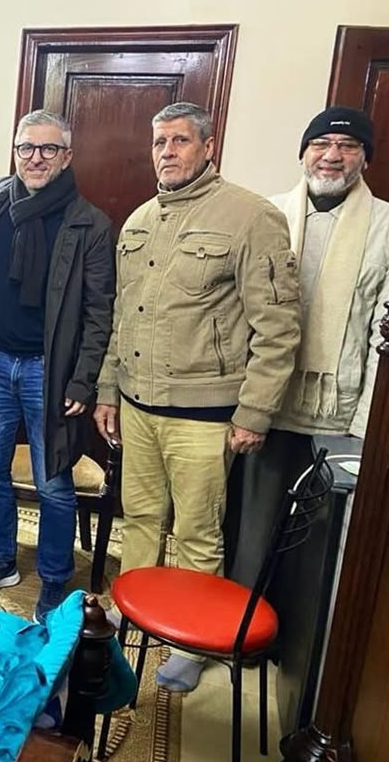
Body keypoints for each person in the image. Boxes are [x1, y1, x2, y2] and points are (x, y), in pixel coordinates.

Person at [93, 102, 301, 692]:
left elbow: (279, 325)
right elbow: (122, 317)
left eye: (180, 140)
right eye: (159, 142)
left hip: (205, 415)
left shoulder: (251, 217)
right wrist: (108, 389)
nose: (168, 152)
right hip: (138, 404)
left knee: (197, 531)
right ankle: (133, 604)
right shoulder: (140, 219)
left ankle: (188, 639)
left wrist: (255, 410)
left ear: (208, 147)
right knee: (140, 518)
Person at [228, 107, 389, 586]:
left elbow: (386, 339)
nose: (332, 155)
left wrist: (367, 426)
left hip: (337, 415)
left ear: (365, 158)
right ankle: (246, 620)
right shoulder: (266, 214)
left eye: (347, 146)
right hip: (266, 405)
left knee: (320, 550)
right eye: (321, 144)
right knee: (252, 535)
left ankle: (302, 633)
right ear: (303, 153)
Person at [0, 110, 115, 621]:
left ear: (66, 156)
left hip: (51, 371)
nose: (36, 158)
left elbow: (99, 311)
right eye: (27, 147)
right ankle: (0, 558)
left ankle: (53, 577)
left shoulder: (89, 223)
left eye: (48, 149)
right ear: (15, 152)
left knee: (53, 482)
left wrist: (83, 379)